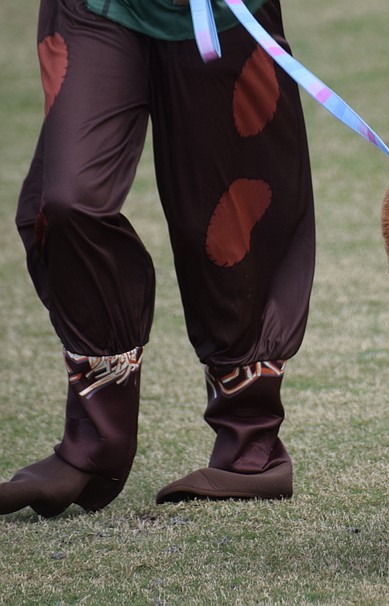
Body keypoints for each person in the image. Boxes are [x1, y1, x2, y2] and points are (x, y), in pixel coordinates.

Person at [0, 0, 314, 517]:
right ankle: (93, 440)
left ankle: (251, 445)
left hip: (222, 14)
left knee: (227, 220)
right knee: (68, 202)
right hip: (96, 10)